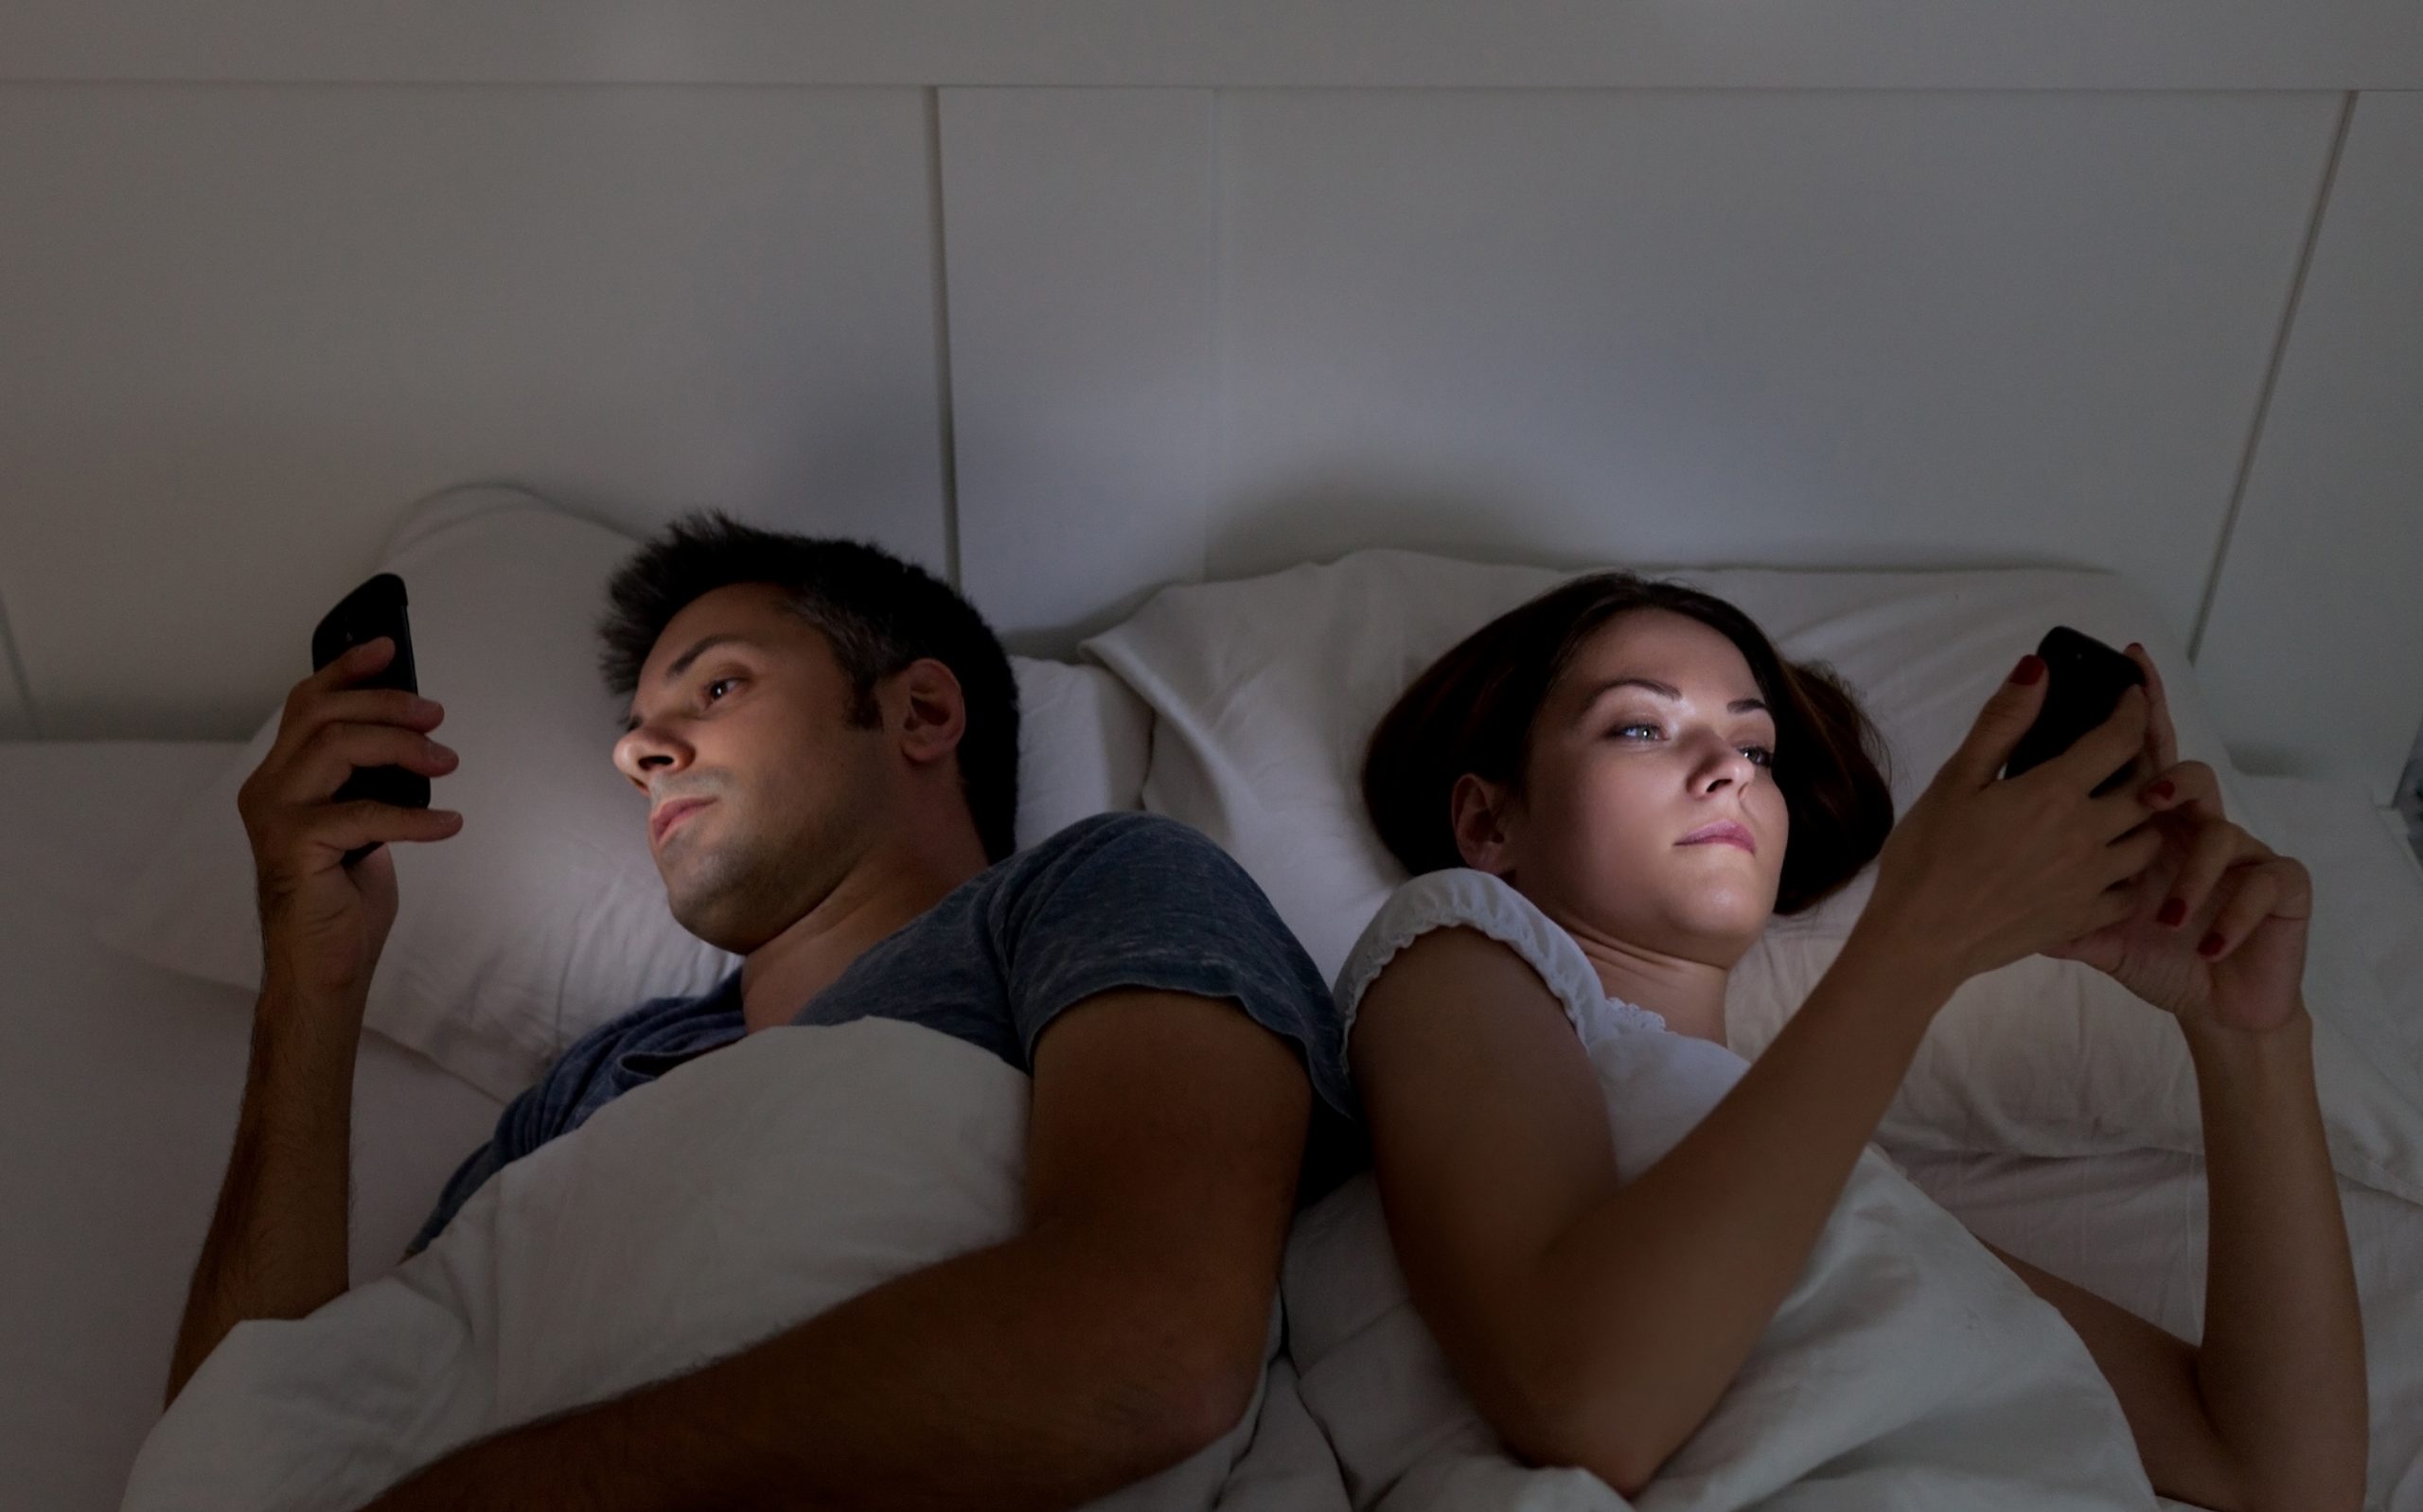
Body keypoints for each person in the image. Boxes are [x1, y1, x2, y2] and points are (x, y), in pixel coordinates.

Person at [163, 513, 1357, 1511]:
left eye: (717, 685)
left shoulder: (1095, 888)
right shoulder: (589, 1091)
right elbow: (262, 1431)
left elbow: (1151, 1348)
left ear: (923, 714)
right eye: (634, 742)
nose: (642, 750)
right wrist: (309, 991)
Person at [1341, 573, 2367, 1511]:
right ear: (1488, 822)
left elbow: (2277, 1475)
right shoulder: (1451, 948)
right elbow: (1588, 1401)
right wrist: (1917, 942)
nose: (1723, 770)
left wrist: (2249, 1037)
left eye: (1756, 749)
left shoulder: (1847, 1194)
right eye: (1642, 728)